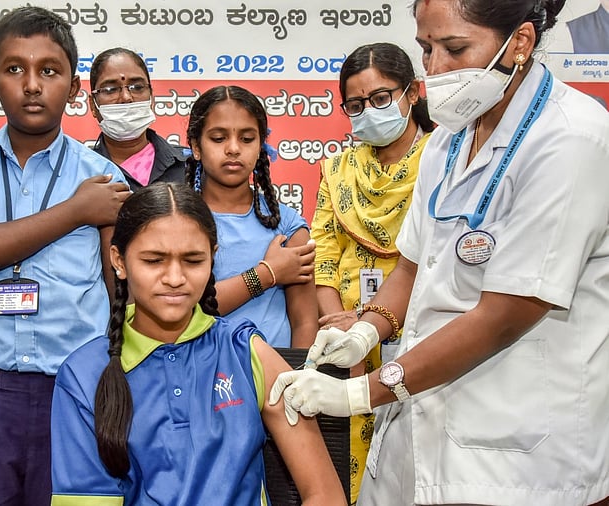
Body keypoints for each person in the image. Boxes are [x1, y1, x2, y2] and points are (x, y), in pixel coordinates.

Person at [271, 0, 609, 504]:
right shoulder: (448, 142)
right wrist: (367, 330)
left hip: (519, 456)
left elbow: (505, 313)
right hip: (421, 428)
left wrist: (360, 393)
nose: (436, 68)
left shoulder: (571, 138)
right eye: (427, 49)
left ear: (519, 42)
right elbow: (413, 266)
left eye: (455, 48)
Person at [0, 6, 130, 505]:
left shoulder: (103, 179)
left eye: (49, 70)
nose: (32, 85)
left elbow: (119, 292)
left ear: (75, 87)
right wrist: (76, 211)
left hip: (74, 392)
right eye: (14, 69)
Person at [50, 182, 346, 505]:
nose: (175, 278)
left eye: (192, 261)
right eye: (154, 261)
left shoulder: (246, 352)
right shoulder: (83, 375)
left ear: (212, 258)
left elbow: (325, 494)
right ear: (119, 261)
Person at [310, 42, 434, 504]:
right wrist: (340, 324)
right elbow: (324, 253)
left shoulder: (443, 160)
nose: (368, 112)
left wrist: (372, 322)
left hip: (422, 332)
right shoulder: (337, 170)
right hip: (347, 341)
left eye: (381, 98)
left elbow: (436, 259)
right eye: (356, 105)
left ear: (412, 93)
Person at [184, 85, 317, 348]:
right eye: (218, 138)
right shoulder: (175, 221)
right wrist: (267, 274)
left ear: (260, 147)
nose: (233, 149)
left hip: (276, 371)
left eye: (246, 139)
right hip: (196, 369)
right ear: (196, 147)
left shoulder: (288, 226)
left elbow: (305, 322)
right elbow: (186, 310)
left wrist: (298, 373)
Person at [89, 47, 186, 189]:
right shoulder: (81, 170)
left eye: (137, 87)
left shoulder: (189, 165)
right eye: (110, 89)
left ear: (151, 98)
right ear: (92, 105)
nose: (126, 97)